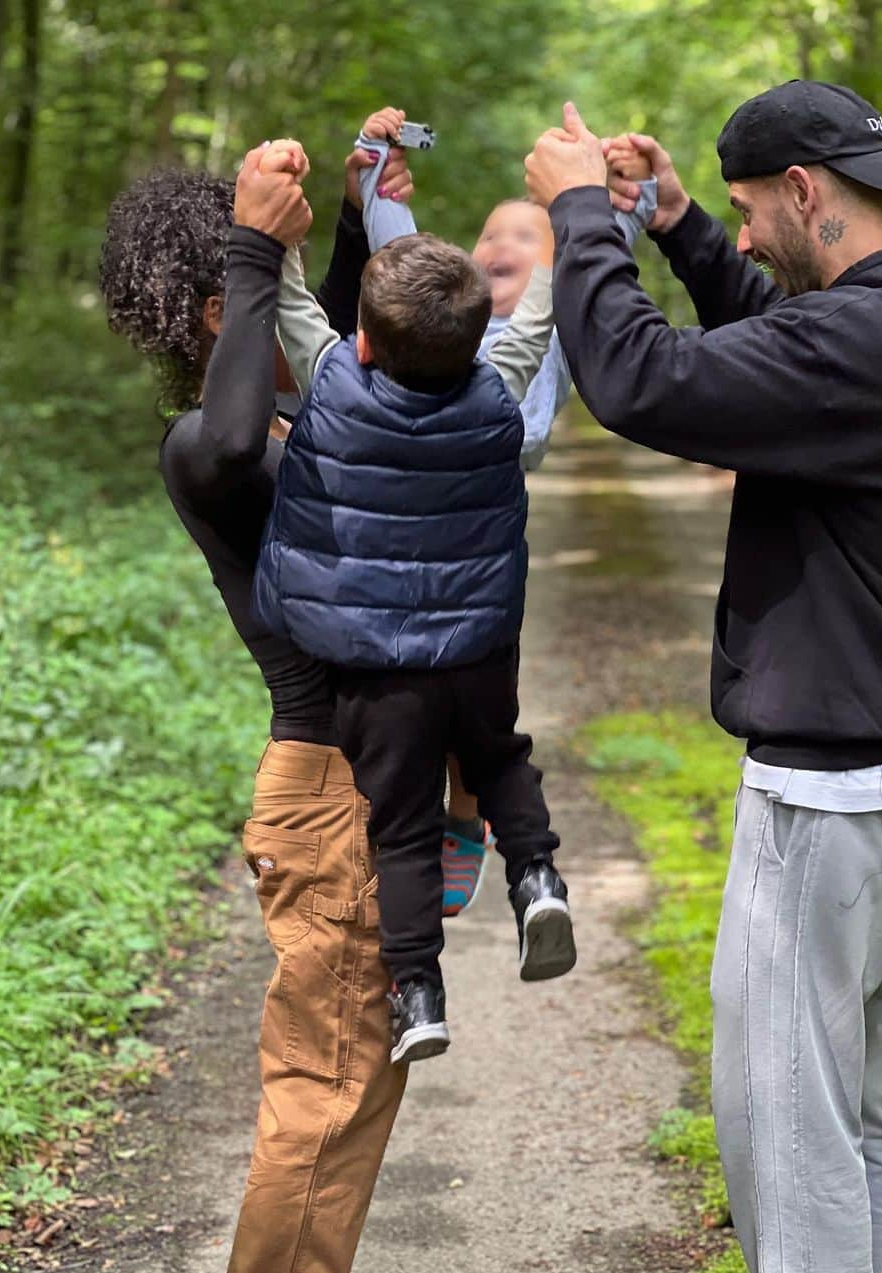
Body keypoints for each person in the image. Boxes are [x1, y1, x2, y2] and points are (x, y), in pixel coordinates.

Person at [524, 83, 882, 1273]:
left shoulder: (866, 343)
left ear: (806, 193)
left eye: (752, 214)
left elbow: (643, 380)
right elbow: (780, 349)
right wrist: (686, 226)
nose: (746, 240)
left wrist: (584, 216)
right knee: (853, 1114)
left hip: (829, 798)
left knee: (787, 1147)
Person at [100, 124, 416, 1273]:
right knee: (327, 1084)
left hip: (361, 788)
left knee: (354, 1076)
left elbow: (308, 352)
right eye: (248, 290)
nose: (277, 309)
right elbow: (236, 425)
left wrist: (340, 222)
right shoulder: (207, 449)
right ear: (205, 308)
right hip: (330, 797)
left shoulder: (284, 429)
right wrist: (247, 248)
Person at [252, 139, 577, 1065]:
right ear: (478, 337)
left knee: (402, 832)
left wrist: (278, 233)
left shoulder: (331, 385)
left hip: (373, 669)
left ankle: (421, 995)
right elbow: (539, 322)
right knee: (502, 759)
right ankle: (539, 879)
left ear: (359, 338)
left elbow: (288, 308)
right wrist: (563, 230)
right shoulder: (500, 392)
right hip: (475, 649)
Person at [341, 108, 657, 915]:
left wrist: (633, 194)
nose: (502, 246)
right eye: (489, 236)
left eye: (530, 235)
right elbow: (398, 263)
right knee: (424, 680)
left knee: (481, 695)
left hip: (488, 498)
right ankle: (428, 822)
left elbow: (606, 246)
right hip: (426, 509)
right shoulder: (451, 323)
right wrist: (378, 169)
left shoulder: (547, 324)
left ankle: (467, 815)